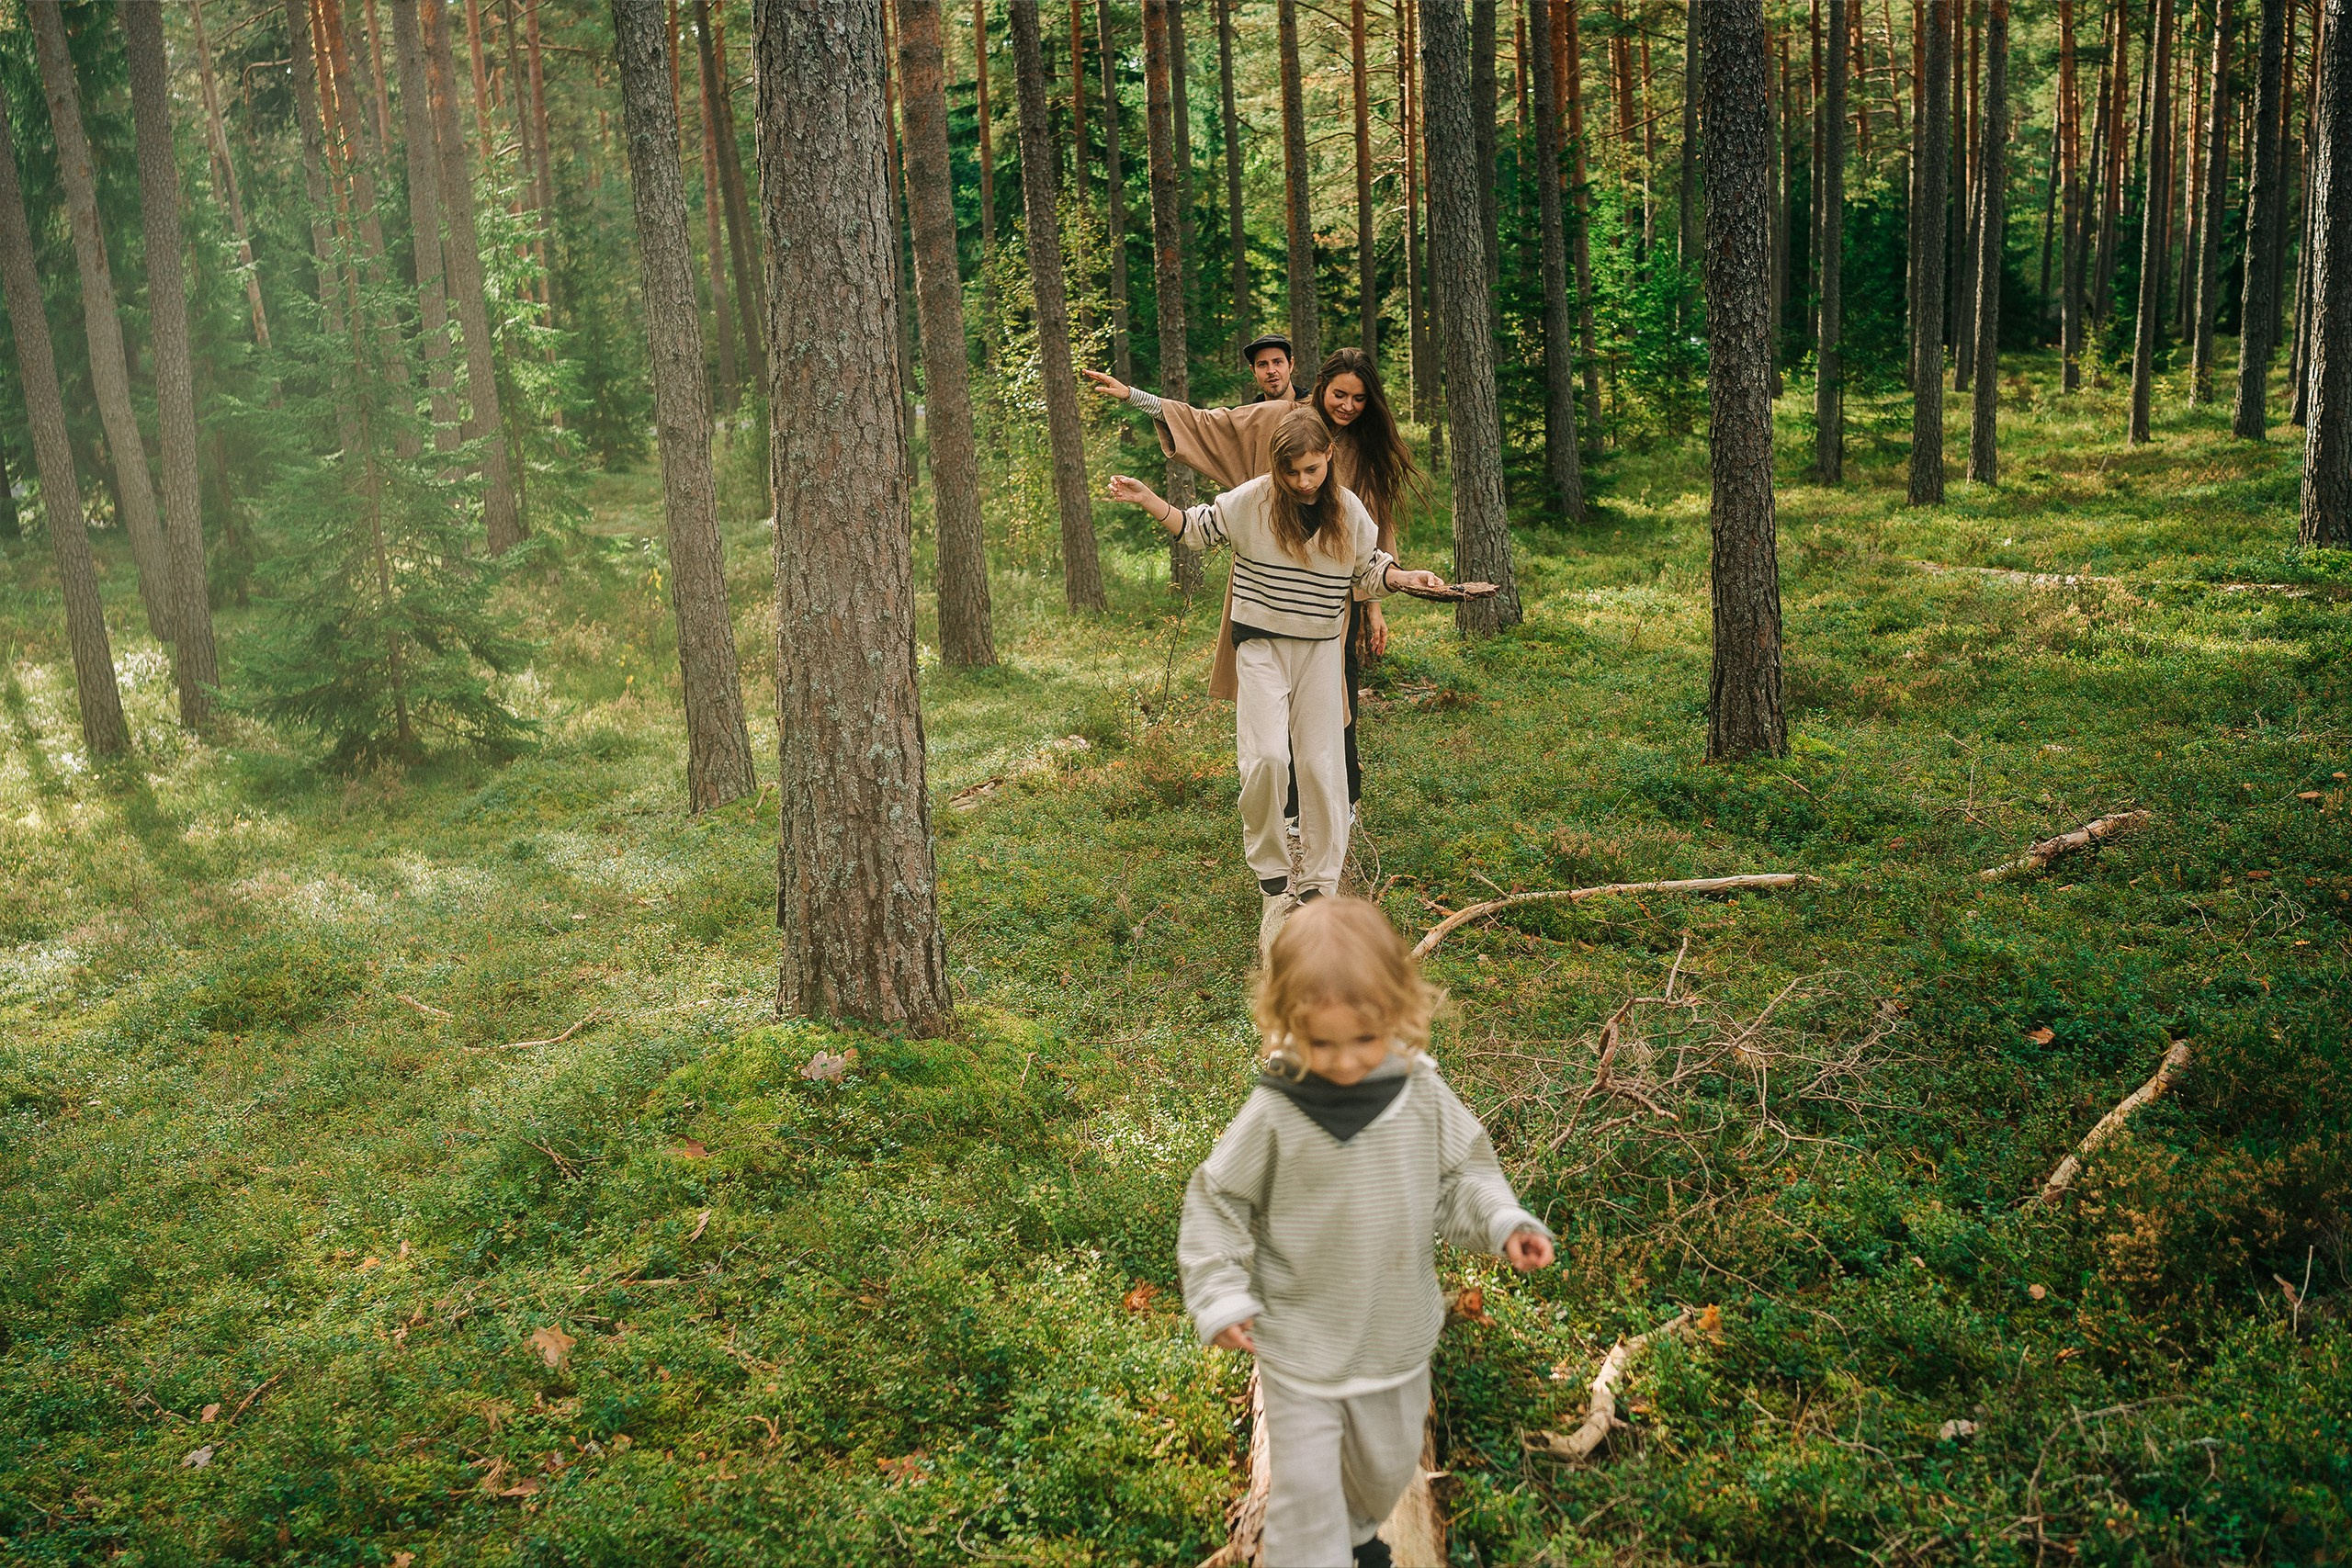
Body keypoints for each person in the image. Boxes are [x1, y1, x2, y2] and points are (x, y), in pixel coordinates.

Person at [1179, 897, 1555, 1568]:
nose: (1347, 1061)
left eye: (1365, 1038)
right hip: (1299, 1344)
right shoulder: (1275, 1109)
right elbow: (1219, 1200)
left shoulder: (1421, 1093)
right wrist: (1220, 1294)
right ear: (1287, 1022)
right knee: (1305, 1498)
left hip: (1393, 1336)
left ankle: (1356, 1532)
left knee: (1383, 1471)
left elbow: (1463, 1177)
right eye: (1323, 1042)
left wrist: (1503, 1221)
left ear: (1399, 1011)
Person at [1106, 409, 1447, 954]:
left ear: (1328, 458)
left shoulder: (1347, 508)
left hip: (1320, 648)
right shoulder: (1254, 499)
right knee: (1265, 758)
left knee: (1320, 765)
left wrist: (1406, 578)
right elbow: (1197, 529)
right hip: (1261, 645)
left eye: (1312, 469)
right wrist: (1150, 500)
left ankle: (1318, 884)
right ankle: (1272, 875)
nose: (1304, 482)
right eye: (1293, 473)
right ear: (1277, 468)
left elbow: (1369, 568)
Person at [1083, 348, 1428, 819]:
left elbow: (1373, 535)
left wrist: (1373, 605)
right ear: (1322, 385)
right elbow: (1210, 425)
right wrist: (1135, 397)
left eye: (1360, 399)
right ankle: (1287, 812)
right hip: (1269, 593)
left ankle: (1342, 804)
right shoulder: (1279, 420)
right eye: (1340, 394)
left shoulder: (1363, 447)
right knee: (1273, 712)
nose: (1347, 406)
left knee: (1337, 699)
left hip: (1333, 601)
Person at [1240, 332, 1315, 404]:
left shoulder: (1317, 409)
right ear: (1254, 371)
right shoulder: (1250, 415)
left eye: (1277, 362)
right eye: (1262, 364)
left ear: (1290, 365)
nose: (1271, 371)